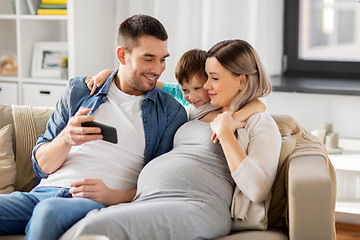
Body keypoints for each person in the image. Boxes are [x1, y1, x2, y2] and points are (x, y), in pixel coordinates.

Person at [61, 39, 282, 240]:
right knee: (84, 225)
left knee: (93, 227)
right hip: (150, 199)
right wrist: (112, 74)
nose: (205, 86)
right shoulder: (198, 110)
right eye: (207, 77)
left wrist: (225, 133)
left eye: (214, 78)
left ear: (241, 81)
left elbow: (258, 190)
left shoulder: (257, 123)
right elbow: (152, 85)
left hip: (195, 206)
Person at [0, 14, 187, 240]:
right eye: (149, 59)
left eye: (163, 59)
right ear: (122, 55)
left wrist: (111, 196)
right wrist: (66, 138)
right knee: (43, 208)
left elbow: (160, 188)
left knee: (47, 213)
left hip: (91, 203)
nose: (158, 69)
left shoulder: (169, 112)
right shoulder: (80, 90)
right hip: (42, 194)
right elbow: (41, 166)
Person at [87, 48, 266, 122]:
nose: (191, 96)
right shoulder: (181, 94)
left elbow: (259, 105)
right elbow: (148, 82)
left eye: (197, 88)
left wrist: (232, 119)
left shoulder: (218, 101)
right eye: (185, 89)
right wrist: (111, 73)